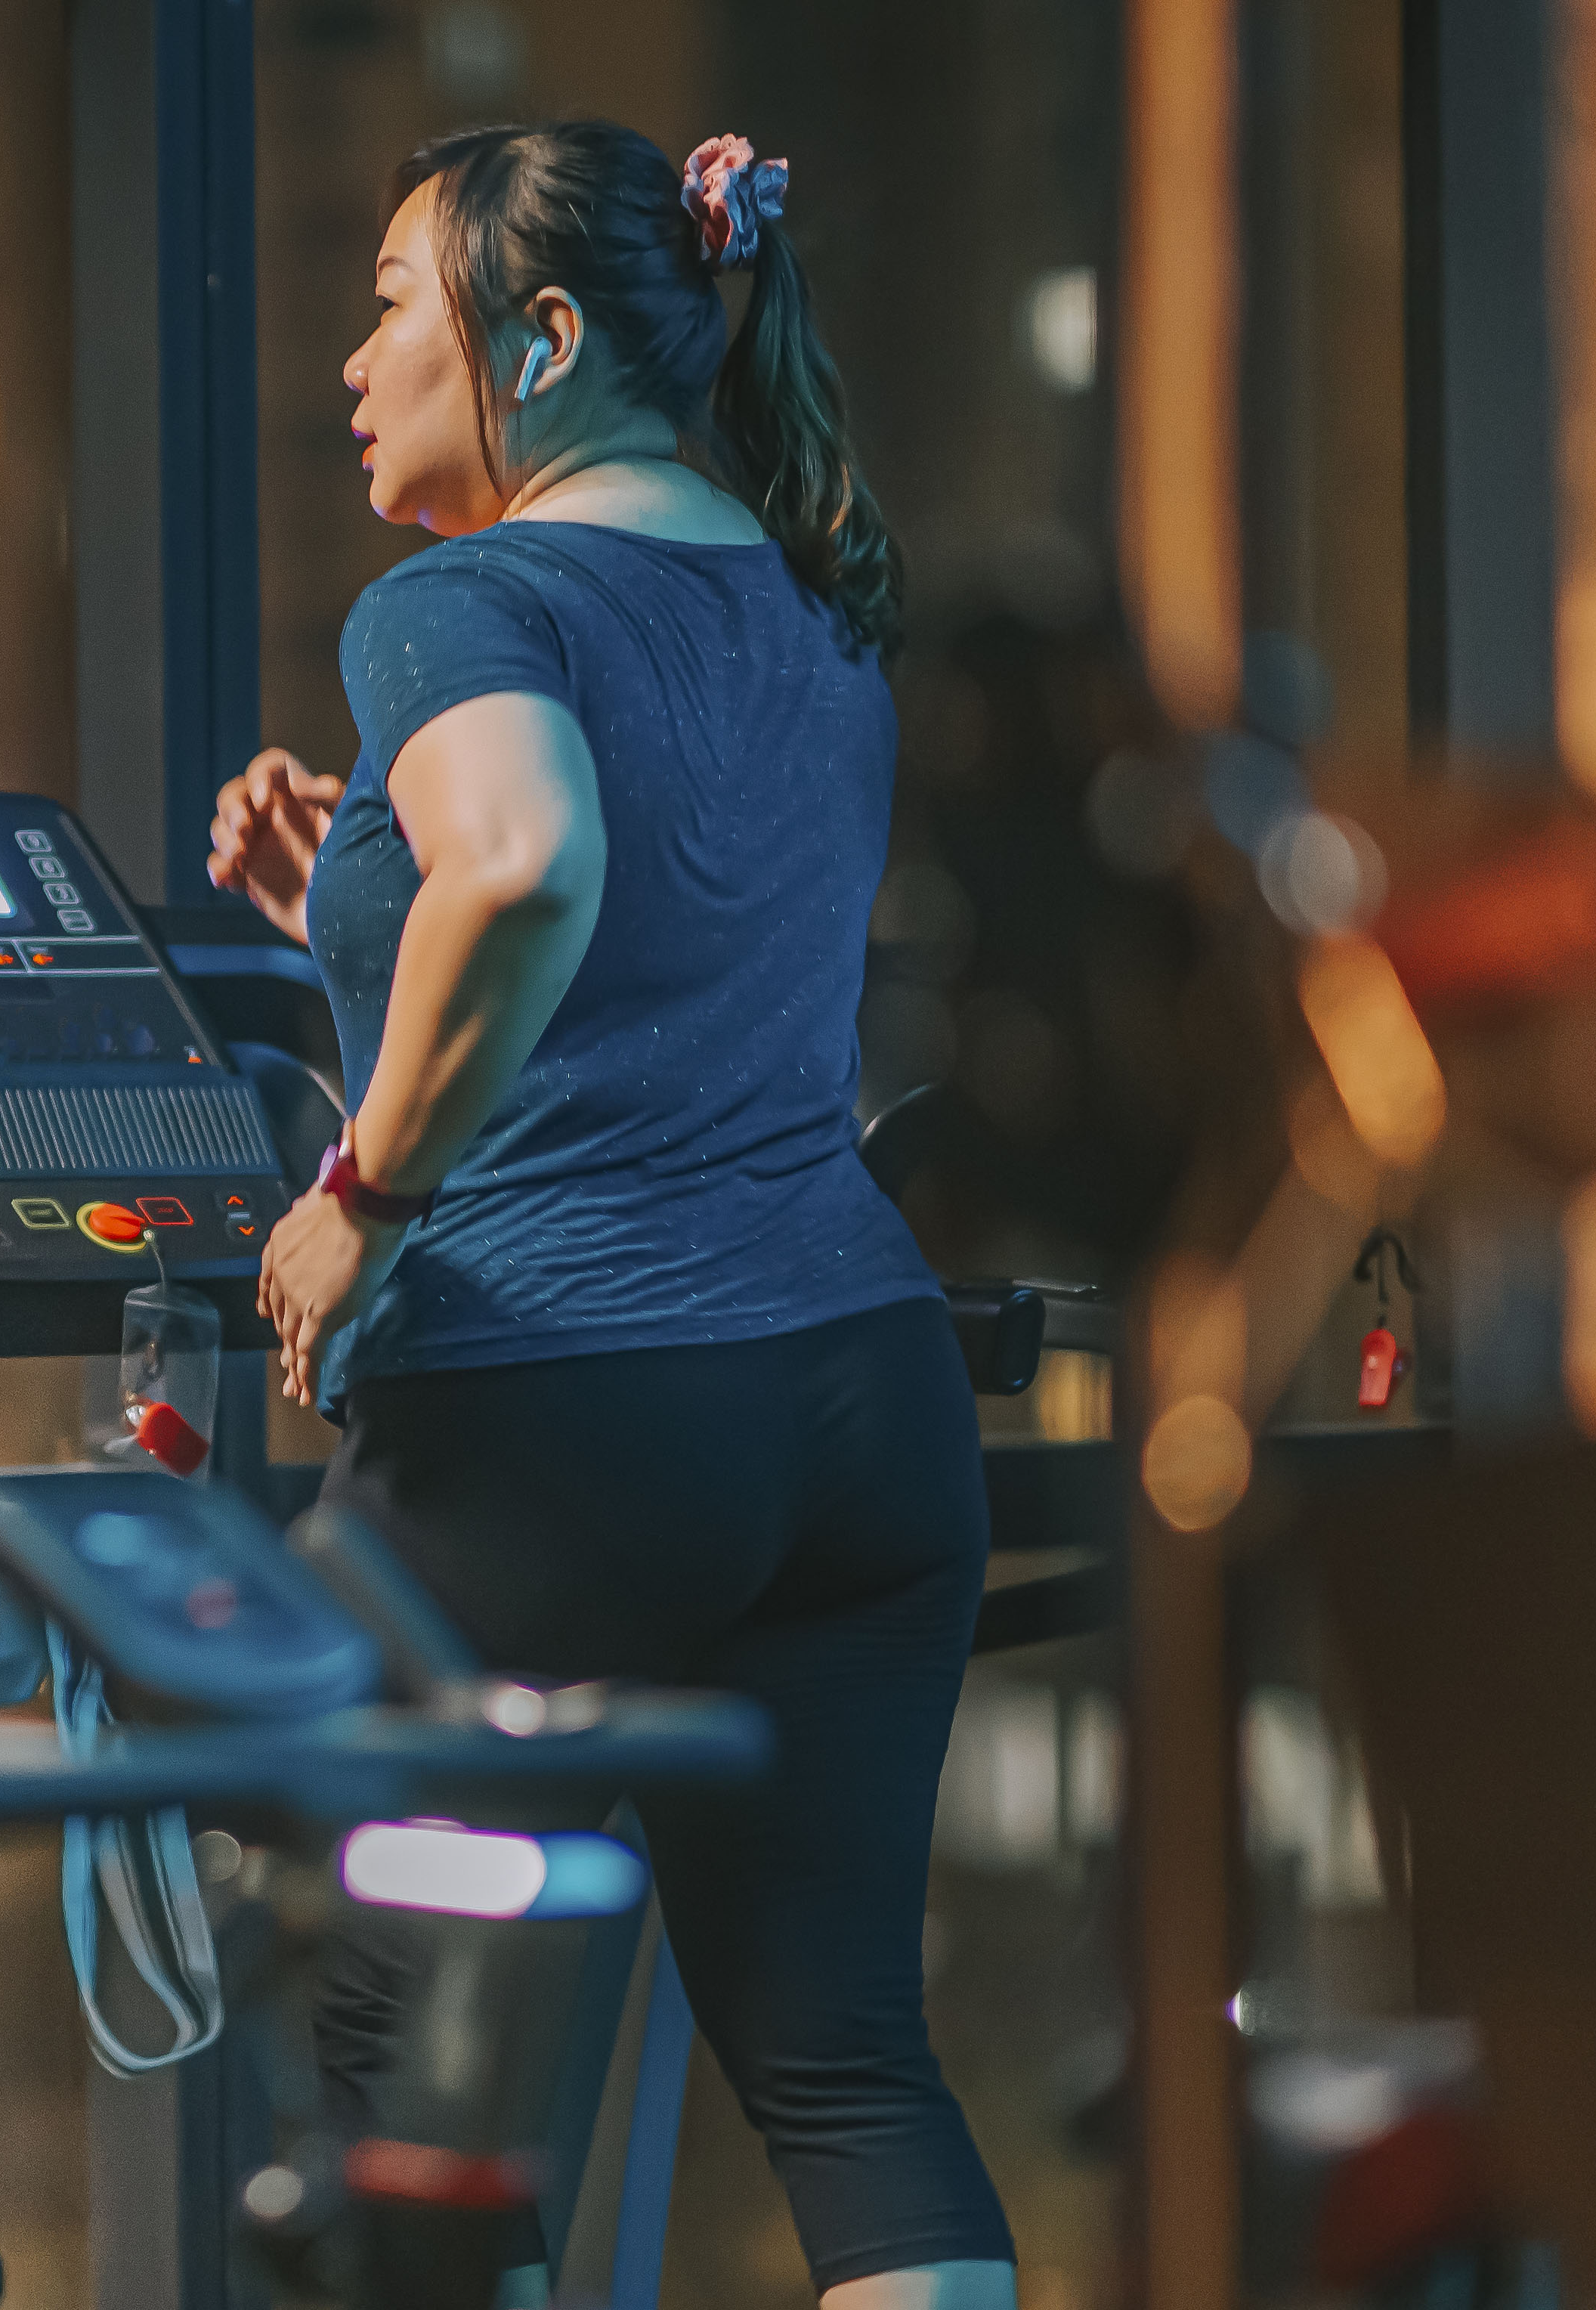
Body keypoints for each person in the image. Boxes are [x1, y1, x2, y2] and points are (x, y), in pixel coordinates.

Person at [208, 123, 1015, 2307]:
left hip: (574, 1417)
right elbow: (650, 954)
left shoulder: (463, 603)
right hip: (855, 1407)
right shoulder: (805, 595)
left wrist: (356, 1196)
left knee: (385, 2043)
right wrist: (346, 922)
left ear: (540, 339)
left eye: (392, 301)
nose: (353, 359)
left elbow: (535, 866)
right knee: (848, 2066)